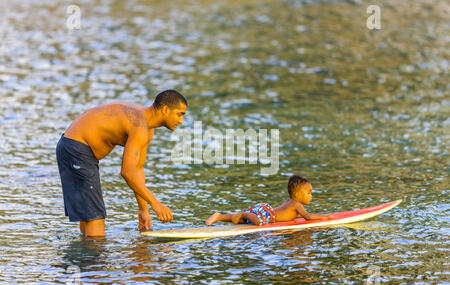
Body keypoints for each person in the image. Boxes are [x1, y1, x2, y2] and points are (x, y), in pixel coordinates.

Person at [56, 90, 187, 237]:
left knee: (89, 215)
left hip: (72, 147)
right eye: (179, 114)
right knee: (96, 218)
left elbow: (137, 169)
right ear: (165, 110)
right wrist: (156, 204)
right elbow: (127, 171)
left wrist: (143, 210)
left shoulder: (146, 128)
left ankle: (86, 253)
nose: (181, 121)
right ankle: (93, 257)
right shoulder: (139, 126)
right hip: (76, 148)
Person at [205, 174, 334, 226]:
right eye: (309, 193)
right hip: (268, 215)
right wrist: (325, 217)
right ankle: (243, 214)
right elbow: (308, 217)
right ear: (299, 195)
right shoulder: (296, 204)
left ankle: (219, 216)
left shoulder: (290, 202)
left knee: (242, 221)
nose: (311, 196)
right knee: (255, 221)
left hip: (265, 210)